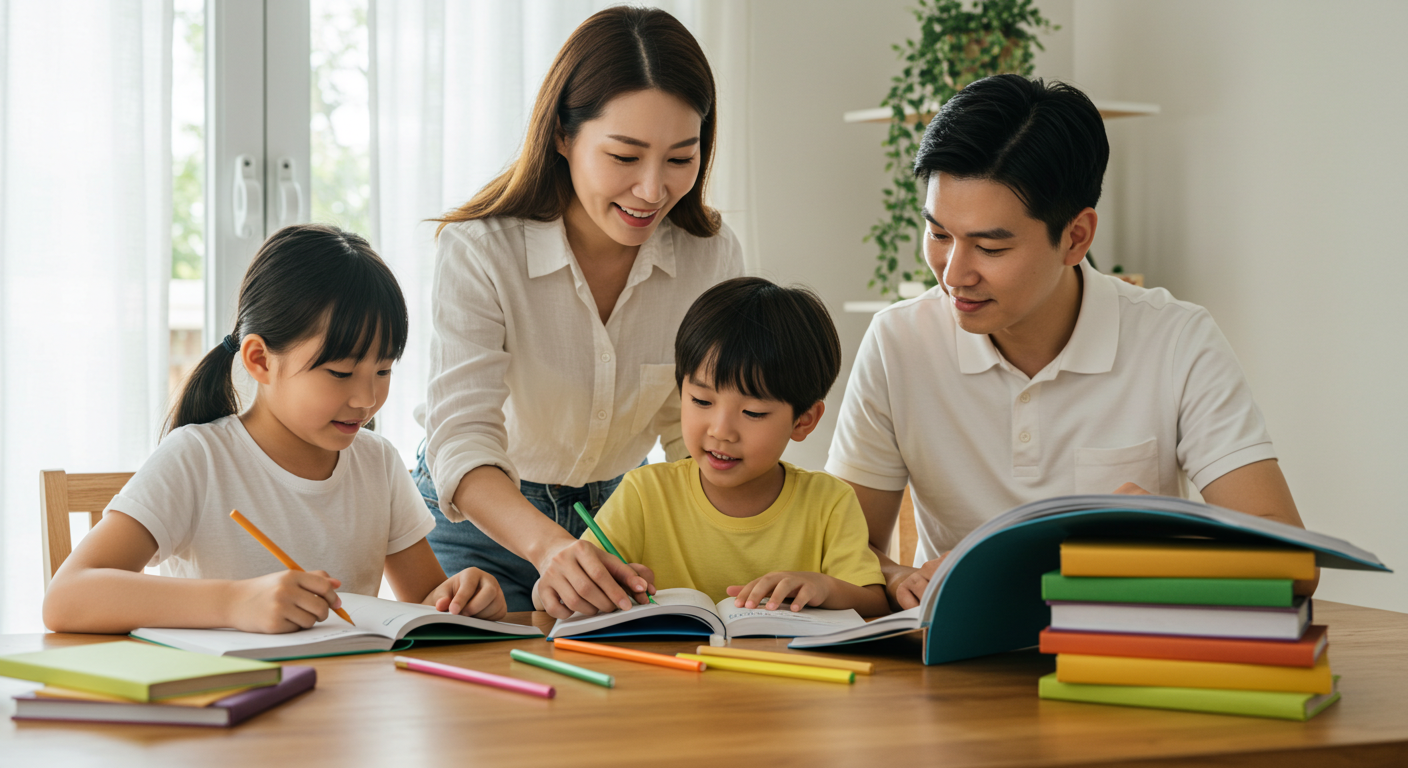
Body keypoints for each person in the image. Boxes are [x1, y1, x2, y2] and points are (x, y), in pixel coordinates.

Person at [826, 75, 1313, 611]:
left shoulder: (1177, 339)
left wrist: (1119, 539)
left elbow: (1293, 563)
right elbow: (847, 547)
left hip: (1124, 655)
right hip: (964, 664)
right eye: (939, 235)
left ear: (1076, 237)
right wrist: (897, 578)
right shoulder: (899, 342)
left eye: (989, 246)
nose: (954, 274)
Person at [416, 6, 743, 617]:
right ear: (562, 136)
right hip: (478, 519)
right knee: (477, 694)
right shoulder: (482, 250)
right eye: (624, 157)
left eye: (680, 158)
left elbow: (690, 428)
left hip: (619, 514)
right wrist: (549, 546)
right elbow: (461, 436)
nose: (652, 190)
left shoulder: (711, 255)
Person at [44, 225, 506, 634]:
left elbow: (426, 606)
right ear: (260, 360)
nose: (366, 399)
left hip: (347, 712)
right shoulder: (198, 459)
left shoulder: (377, 462)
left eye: (383, 371)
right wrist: (233, 603)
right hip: (228, 709)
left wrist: (464, 598)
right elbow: (66, 599)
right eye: (341, 373)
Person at [534, 277, 888, 617]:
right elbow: (562, 587)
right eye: (702, 401)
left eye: (753, 412)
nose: (721, 431)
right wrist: (558, 587)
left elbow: (874, 601)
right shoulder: (644, 493)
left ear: (803, 420)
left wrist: (824, 587)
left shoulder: (830, 502)